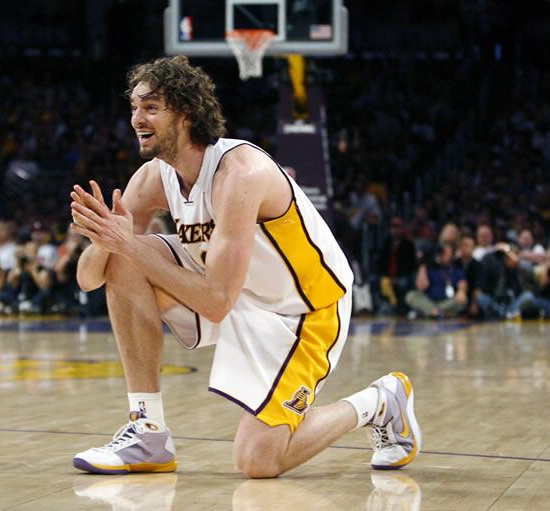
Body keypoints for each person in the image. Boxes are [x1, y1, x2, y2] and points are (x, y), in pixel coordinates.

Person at [69, 56, 421, 478]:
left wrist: (127, 243)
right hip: (238, 294)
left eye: (150, 107)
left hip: (306, 310)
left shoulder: (240, 173)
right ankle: (147, 431)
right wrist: (105, 239)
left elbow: (216, 302)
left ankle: (381, 401)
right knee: (126, 263)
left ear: (185, 113)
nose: (135, 118)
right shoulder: (153, 177)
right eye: (133, 107)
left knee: (258, 461)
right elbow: (90, 279)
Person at [405, 243, 468, 319]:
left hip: (446, 302)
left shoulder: (456, 269)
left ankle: (430, 312)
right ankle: (437, 312)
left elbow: (462, 284)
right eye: (442, 253)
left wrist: (461, 291)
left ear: (452, 255)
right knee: (411, 295)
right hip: (428, 301)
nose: (443, 255)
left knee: (463, 301)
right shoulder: (430, 267)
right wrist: (423, 265)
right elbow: (421, 287)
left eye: (446, 253)